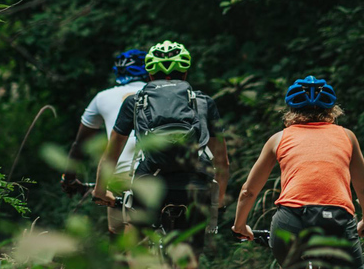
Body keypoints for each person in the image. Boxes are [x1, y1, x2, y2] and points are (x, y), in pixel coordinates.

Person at [92, 40, 230, 253]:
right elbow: (221, 161)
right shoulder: (204, 102)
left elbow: (111, 155)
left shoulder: (134, 102)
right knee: (190, 254)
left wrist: (101, 191)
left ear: (149, 75)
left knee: (134, 244)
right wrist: (218, 202)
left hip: (150, 182)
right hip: (195, 184)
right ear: (185, 74)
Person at [232, 75, 364, 268]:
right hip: (337, 221)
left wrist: (239, 226)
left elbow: (248, 191)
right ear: (331, 110)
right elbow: (362, 186)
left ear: (291, 110)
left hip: (291, 222)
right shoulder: (347, 137)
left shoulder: (278, 139)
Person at [61, 49, 148, 236]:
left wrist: (68, 178)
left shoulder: (102, 97)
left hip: (121, 175)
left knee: (119, 239)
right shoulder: (160, 96)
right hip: (160, 170)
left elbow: (79, 144)